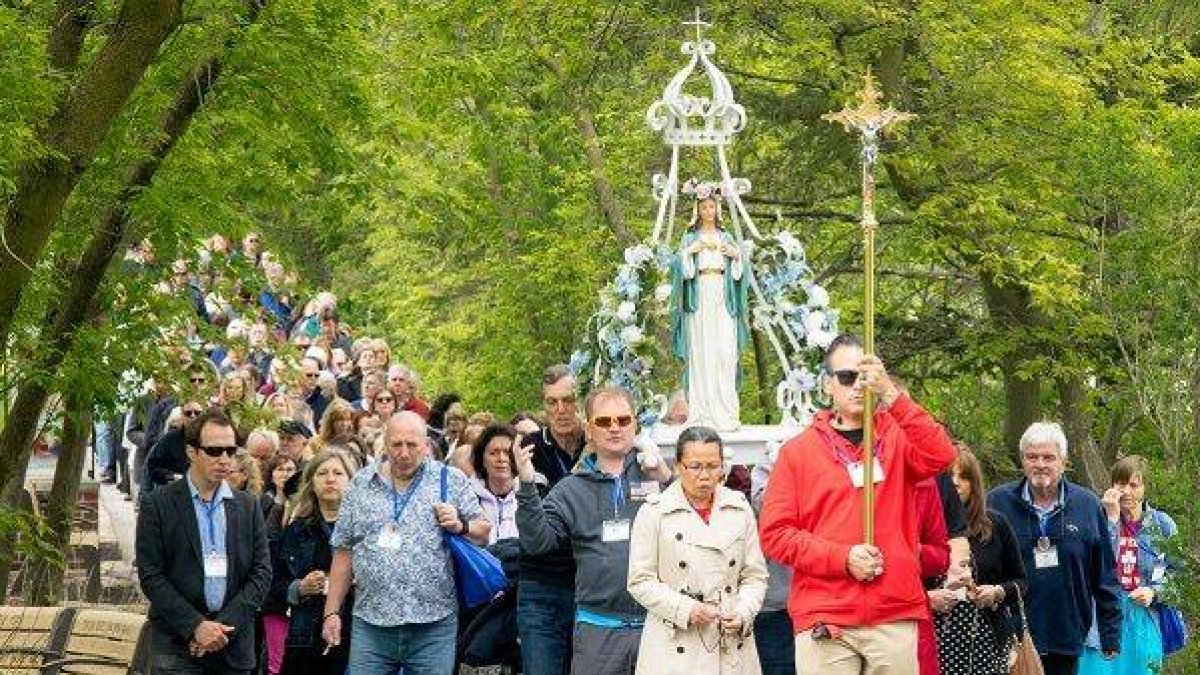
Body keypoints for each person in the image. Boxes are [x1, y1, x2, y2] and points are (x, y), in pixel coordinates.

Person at [758, 334, 957, 675]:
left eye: (866, 377)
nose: (857, 386)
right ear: (827, 384)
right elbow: (775, 535)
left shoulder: (897, 437)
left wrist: (891, 395)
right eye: (847, 377)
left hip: (893, 611)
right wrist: (842, 558)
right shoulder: (797, 453)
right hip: (826, 614)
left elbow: (941, 455)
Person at [514, 386, 673, 675]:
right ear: (589, 428)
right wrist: (526, 487)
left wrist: (667, 478)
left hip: (658, 626)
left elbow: (695, 526)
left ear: (635, 425)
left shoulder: (657, 475)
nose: (614, 428)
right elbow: (537, 542)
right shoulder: (570, 489)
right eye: (603, 421)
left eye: (623, 420)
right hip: (598, 631)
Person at [321, 411, 490, 675]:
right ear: (384, 444)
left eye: (411, 445)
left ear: (425, 445)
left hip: (433, 625)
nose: (403, 453)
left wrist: (460, 525)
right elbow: (343, 552)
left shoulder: (450, 480)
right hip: (371, 624)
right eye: (396, 444)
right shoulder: (360, 485)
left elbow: (484, 531)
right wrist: (331, 613)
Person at [135, 409, 272, 675]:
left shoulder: (247, 506)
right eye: (214, 451)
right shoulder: (158, 505)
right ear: (192, 452)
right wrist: (195, 626)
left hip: (232, 645)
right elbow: (151, 575)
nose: (224, 459)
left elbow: (261, 573)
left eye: (230, 451)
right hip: (176, 646)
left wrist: (219, 628)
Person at [627, 425, 768, 675]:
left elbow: (754, 576)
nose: (704, 475)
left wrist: (743, 611)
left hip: (731, 644)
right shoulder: (654, 511)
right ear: (678, 467)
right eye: (695, 467)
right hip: (675, 646)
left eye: (713, 466)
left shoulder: (739, 508)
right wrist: (686, 609)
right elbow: (640, 581)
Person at [988, 422, 1121, 675]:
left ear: (1063, 461)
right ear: (1022, 460)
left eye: (1048, 457)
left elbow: (1104, 572)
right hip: (1010, 634)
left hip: (1066, 632)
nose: (1040, 464)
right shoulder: (997, 503)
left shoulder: (1087, 504)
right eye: (1032, 456)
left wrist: (1110, 632)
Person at [511, 365, 585, 675]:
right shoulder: (530, 447)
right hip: (542, 585)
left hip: (590, 585)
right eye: (552, 402)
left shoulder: (601, 442)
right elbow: (537, 522)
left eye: (567, 400)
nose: (560, 410)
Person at [1078, 455, 1178, 675]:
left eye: (1134, 485)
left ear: (1145, 488)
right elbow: (1096, 567)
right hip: (1101, 618)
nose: (1127, 491)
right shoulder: (1096, 519)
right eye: (1121, 483)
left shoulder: (1162, 525)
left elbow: (1179, 576)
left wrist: (1154, 592)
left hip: (1143, 618)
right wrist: (1112, 520)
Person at [932, 444, 1027, 675]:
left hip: (986, 636)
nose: (955, 482)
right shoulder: (922, 525)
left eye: (963, 477)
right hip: (933, 637)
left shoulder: (995, 525)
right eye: (948, 476)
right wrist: (929, 598)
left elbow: (1022, 582)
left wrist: (997, 592)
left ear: (974, 484)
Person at [273, 449, 360, 675]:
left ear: (351, 480)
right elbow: (272, 583)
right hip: (305, 638)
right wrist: (299, 588)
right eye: (322, 473)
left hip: (356, 636)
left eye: (338, 473)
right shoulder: (296, 530)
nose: (330, 479)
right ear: (311, 482)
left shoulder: (365, 531)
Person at [670, 184, 749, 431]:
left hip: (723, 296)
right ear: (698, 210)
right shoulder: (689, 239)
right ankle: (702, 412)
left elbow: (740, 272)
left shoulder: (726, 237)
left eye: (712, 206)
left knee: (726, 353)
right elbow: (678, 269)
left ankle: (726, 411)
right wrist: (687, 254)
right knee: (702, 352)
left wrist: (736, 257)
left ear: (717, 208)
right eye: (703, 206)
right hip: (700, 297)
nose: (708, 211)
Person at [471, 423, 521, 544]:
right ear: (482, 459)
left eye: (508, 452)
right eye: (494, 453)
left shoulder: (531, 495)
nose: (501, 459)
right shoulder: (467, 495)